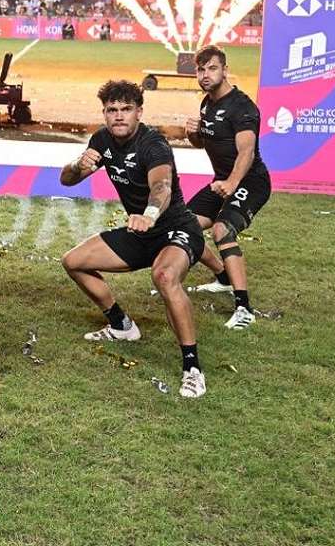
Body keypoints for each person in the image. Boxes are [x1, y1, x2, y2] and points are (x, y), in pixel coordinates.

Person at [59, 80, 206, 399]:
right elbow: (67, 180)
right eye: (112, 110)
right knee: (74, 262)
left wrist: (150, 215)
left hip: (175, 228)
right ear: (105, 114)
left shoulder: (153, 144)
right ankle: (122, 325)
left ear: (139, 112)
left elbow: (162, 187)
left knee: (165, 277)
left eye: (126, 109)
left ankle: (192, 367)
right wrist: (77, 164)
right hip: (141, 232)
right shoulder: (101, 139)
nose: (119, 116)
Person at [184, 46, 269, 330]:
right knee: (185, 225)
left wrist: (233, 183)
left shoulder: (242, 107)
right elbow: (202, 143)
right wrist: (192, 135)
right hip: (222, 182)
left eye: (212, 68)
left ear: (225, 70)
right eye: (201, 69)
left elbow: (246, 152)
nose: (205, 75)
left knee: (222, 229)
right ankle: (222, 277)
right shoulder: (206, 103)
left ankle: (244, 308)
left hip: (250, 182)